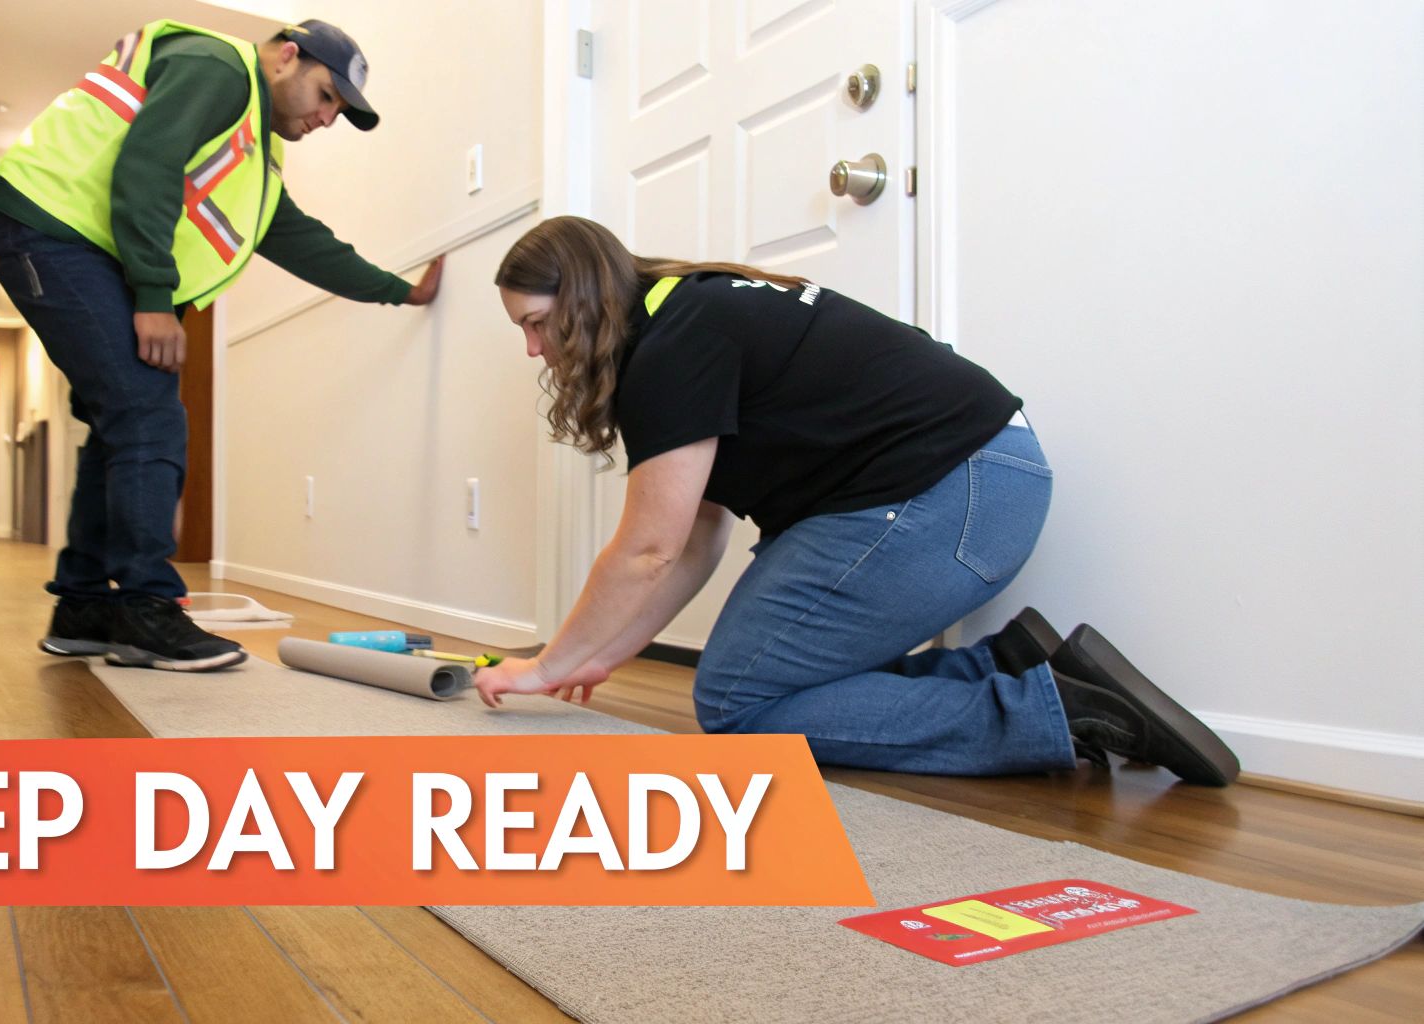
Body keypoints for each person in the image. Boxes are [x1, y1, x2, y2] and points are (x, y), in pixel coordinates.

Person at [473, 216, 1239, 786]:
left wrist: (548, 664)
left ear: (584, 296)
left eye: (538, 325)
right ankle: (1008, 667)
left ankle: (1059, 712)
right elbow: (694, 537)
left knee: (739, 701)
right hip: (967, 485)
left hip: (951, 492)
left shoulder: (676, 345)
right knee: (756, 684)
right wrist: (604, 652)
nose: (535, 351)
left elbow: (648, 549)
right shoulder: (687, 313)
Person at [0, 19, 443, 672]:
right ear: (288, 57)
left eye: (340, 108)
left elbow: (303, 242)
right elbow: (149, 164)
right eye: (327, 95)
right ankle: (146, 610)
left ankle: (84, 607)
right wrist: (152, 296)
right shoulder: (219, 69)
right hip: (47, 226)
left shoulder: (250, 151)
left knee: (123, 421)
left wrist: (400, 292)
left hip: (68, 240)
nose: (329, 117)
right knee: (146, 410)